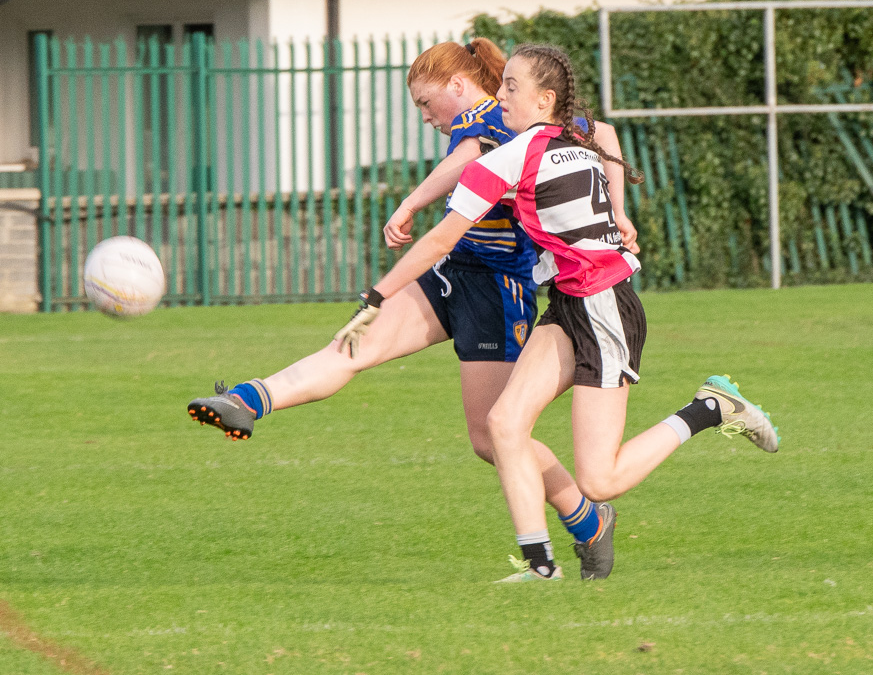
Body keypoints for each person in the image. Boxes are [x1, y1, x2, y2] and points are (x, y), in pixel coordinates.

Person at [333, 43, 780, 583]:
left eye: (512, 88)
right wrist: (617, 210)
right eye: (501, 87)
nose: (500, 96)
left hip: (606, 309)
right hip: (568, 305)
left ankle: (709, 409)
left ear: (545, 100)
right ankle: (540, 566)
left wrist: (376, 297)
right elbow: (605, 136)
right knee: (502, 423)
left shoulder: (510, 157)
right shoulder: (572, 135)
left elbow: (438, 242)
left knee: (601, 481)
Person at [189, 39, 632, 580]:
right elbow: (596, 134)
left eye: (427, 104)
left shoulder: (500, 117)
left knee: (492, 438)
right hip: (451, 273)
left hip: (498, 290)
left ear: (458, 87)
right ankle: (248, 400)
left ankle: (587, 521)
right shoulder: (496, 118)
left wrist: (411, 202)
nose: (425, 117)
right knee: (353, 347)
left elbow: (485, 156)